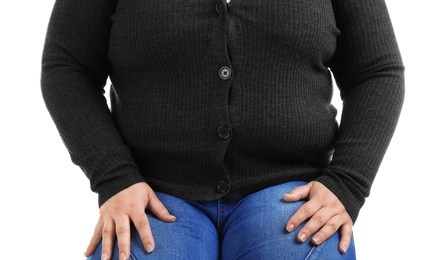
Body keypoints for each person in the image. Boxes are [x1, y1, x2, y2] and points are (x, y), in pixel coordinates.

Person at [41, 0, 404, 259]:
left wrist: (347, 183)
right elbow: (67, 65)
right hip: (153, 195)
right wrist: (114, 178)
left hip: (291, 194)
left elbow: (376, 71)